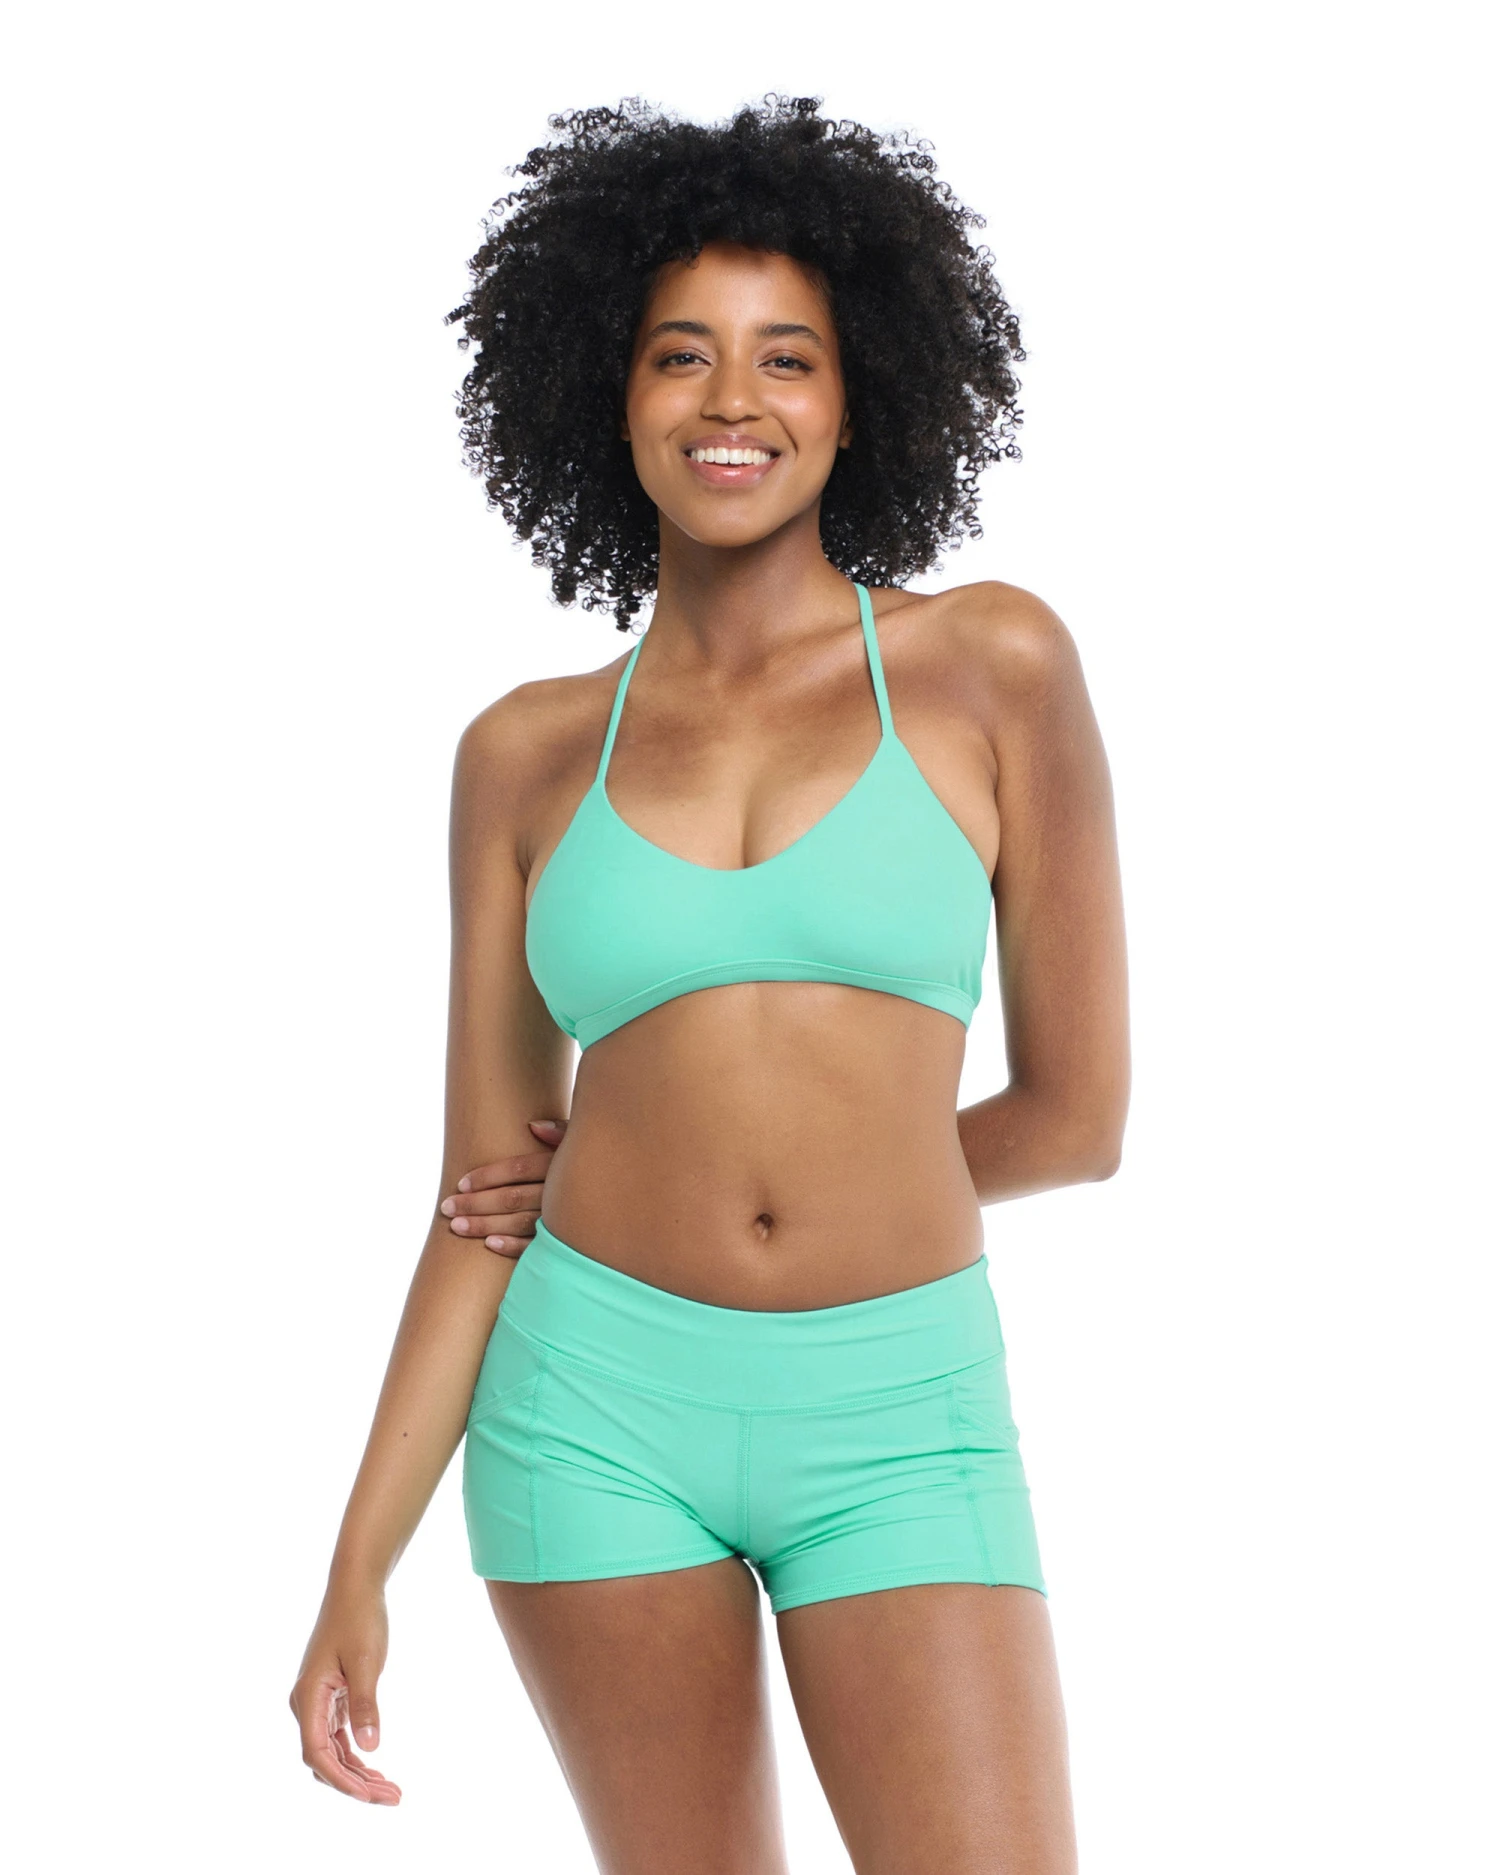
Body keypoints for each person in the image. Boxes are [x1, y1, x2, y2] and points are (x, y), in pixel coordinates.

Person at [290, 95, 1129, 1875]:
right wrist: (360, 1557)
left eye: (786, 358)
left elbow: (1080, 1116)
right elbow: (482, 1199)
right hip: (590, 1411)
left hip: (901, 1412)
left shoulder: (988, 665)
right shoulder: (524, 755)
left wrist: (841, 1185)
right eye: (682, 354)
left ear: (860, 396)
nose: (731, 401)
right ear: (608, 393)